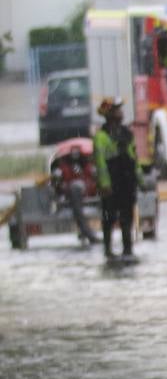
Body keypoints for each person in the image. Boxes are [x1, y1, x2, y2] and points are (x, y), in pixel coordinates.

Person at [93, 97, 145, 262]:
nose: (121, 113)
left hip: (126, 181)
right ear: (109, 114)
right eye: (117, 110)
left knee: (127, 217)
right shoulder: (100, 137)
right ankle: (108, 250)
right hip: (111, 182)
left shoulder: (126, 134)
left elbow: (133, 158)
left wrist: (140, 180)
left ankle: (127, 250)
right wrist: (105, 184)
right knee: (109, 217)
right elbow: (100, 163)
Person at [50, 143, 100, 245]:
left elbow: (95, 177)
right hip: (71, 197)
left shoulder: (89, 167)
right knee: (75, 188)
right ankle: (87, 233)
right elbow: (56, 181)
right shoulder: (62, 169)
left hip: (88, 196)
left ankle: (87, 233)